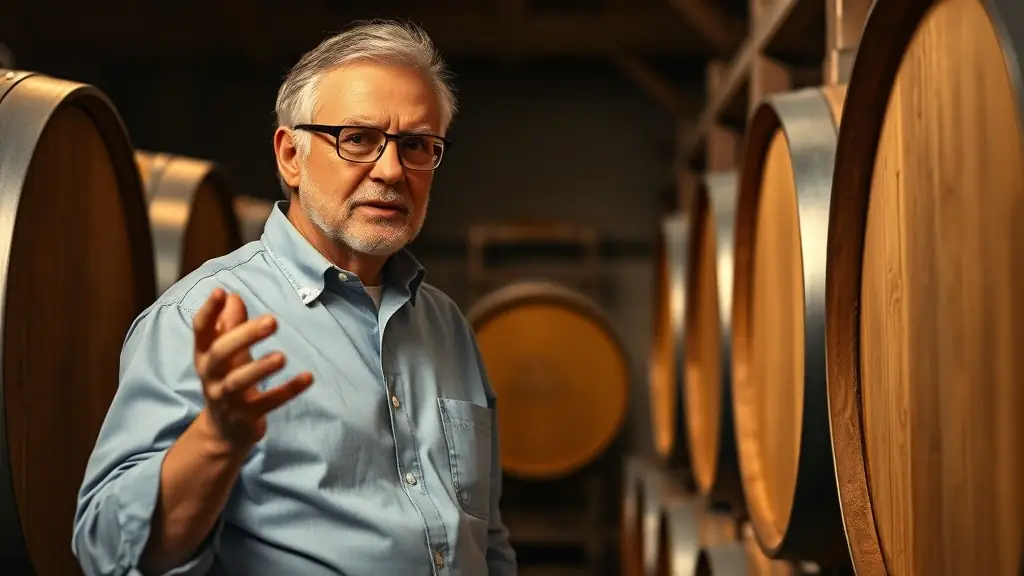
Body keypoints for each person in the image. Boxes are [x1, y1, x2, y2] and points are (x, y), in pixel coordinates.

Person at [71, 19, 517, 576]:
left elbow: (487, 540)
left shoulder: (446, 325)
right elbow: (107, 550)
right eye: (358, 139)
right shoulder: (197, 318)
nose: (391, 170)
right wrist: (215, 440)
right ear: (290, 156)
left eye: (416, 146)